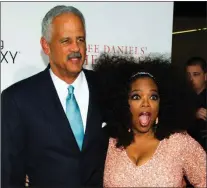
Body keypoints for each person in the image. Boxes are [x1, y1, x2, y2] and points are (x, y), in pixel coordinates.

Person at [1, 5, 108, 187]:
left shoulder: (107, 88)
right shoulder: (17, 99)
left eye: (80, 39)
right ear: (46, 45)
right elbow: (11, 175)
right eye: (66, 41)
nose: (76, 48)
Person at [93, 54, 206, 187]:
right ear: (124, 103)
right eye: (136, 97)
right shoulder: (110, 143)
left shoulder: (179, 142)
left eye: (153, 97)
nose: (146, 103)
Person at [185, 57, 207, 151]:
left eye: (196, 74)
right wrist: (193, 114)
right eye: (188, 75)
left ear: (205, 76)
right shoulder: (181, 97)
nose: (191, 79)